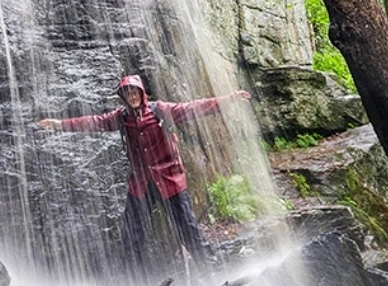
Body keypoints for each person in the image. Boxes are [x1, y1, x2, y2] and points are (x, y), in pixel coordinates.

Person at [39, 74, 250, 275]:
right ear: (123, 96)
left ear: (142, 93)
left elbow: (193, 108)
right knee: (132, 231)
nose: (132, 96)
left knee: (187, 226)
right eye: (127, 93)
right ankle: (133, 278)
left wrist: (228, 100)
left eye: (135, 92)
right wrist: (59, 125)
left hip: (169, 179)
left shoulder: (160, 110)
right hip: (141, 183)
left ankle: (211, 268)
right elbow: (94, 121)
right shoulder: (121, 118)